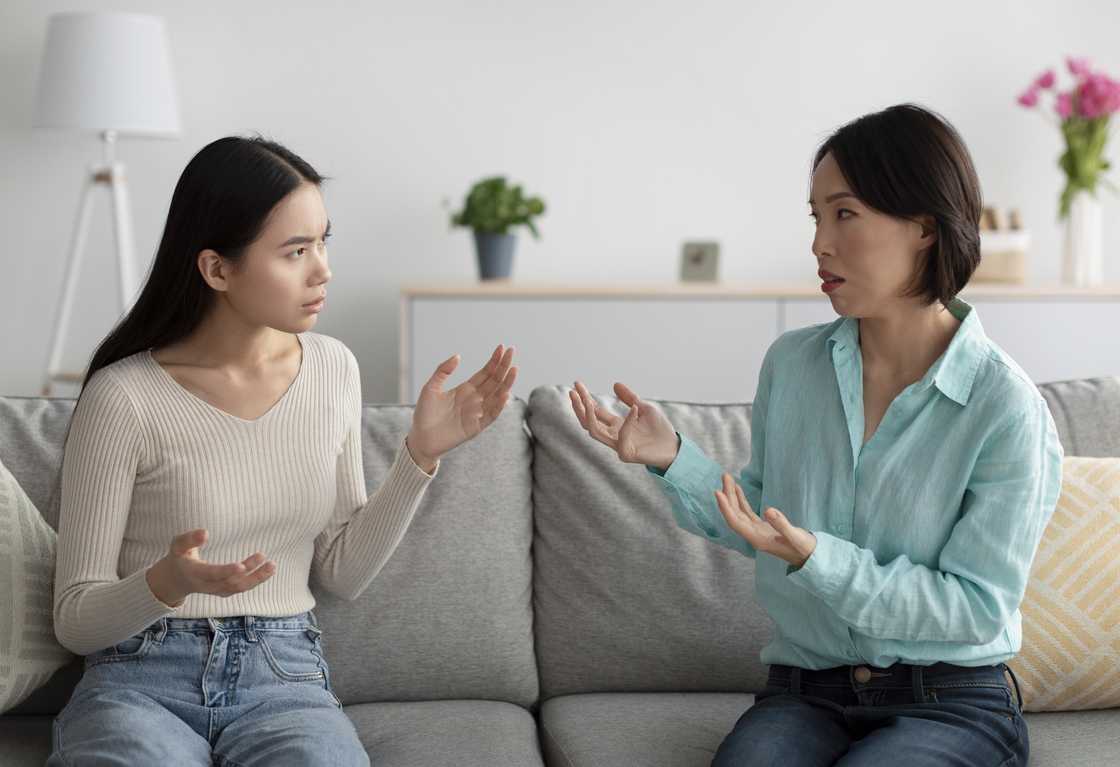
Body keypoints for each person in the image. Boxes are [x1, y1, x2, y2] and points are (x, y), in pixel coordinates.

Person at [569, 103, 1061, 766]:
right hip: (806, 691)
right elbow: (763, 516)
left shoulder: (1004, 407)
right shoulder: (793, 365)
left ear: (923, 225)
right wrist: (672, 457)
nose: (819, 243)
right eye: (817, 216)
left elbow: (976, 607)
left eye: (845, 214)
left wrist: (817, 559)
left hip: (951, 699)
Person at [48, 136, 517, 766]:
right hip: (138, 679)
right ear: (218, 269)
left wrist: (420, 456)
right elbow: (74, 619)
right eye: (295, 251)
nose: (322, 269)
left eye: (323, 241)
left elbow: (342, 573)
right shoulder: (124, 397)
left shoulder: (333, 369)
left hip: (283, 675)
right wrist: (164, 582)